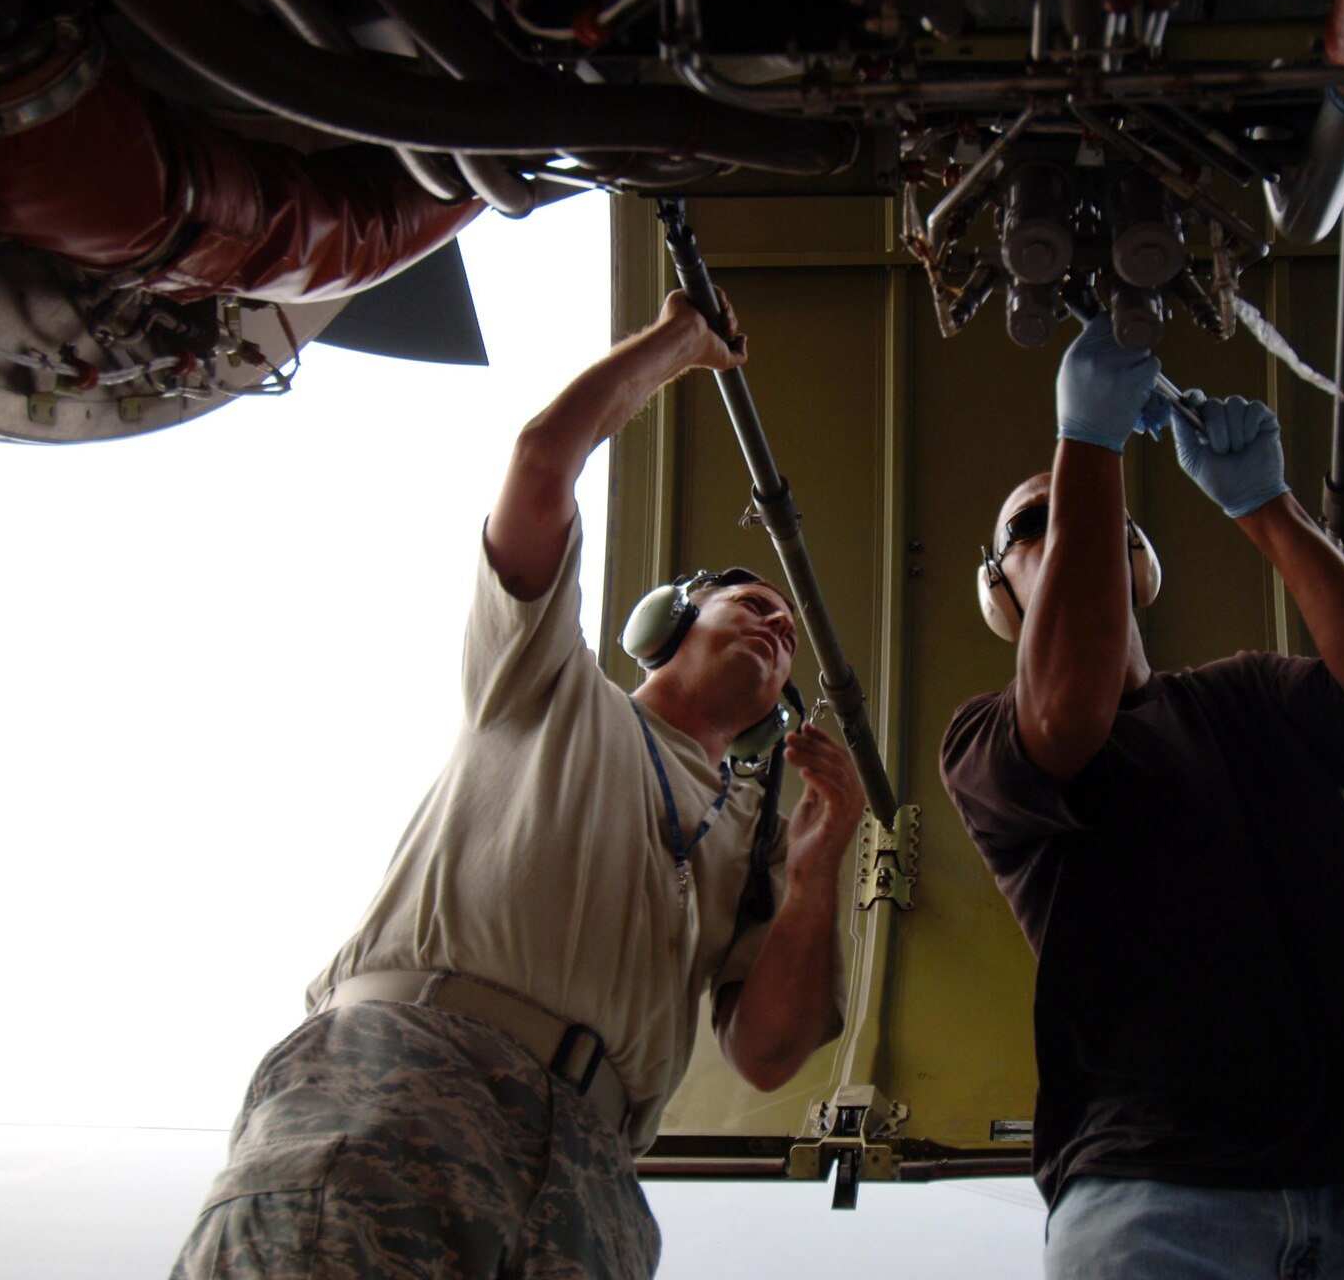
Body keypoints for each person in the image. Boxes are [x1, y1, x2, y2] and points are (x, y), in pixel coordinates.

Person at [173, 290, 862, 1279]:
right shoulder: (542, 676)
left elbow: (765, 1051)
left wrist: (811, 873)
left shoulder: (751, 834)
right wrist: (675, 344)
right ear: (666, 620)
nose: (774, 626)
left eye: (786, 632)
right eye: (747, 602)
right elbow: (543, 459)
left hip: (588, 1168)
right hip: (406, 1078)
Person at [939, 317, 1344, 1278]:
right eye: (1031, 526)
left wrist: (1268, 509)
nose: (1076, 522)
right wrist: (1083, 445)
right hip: (1152, 1192)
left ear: (1143, 566)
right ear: (999, 592)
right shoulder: (985, 737)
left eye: (1102, 517)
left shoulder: (1246, 694)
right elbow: (1067, 712)